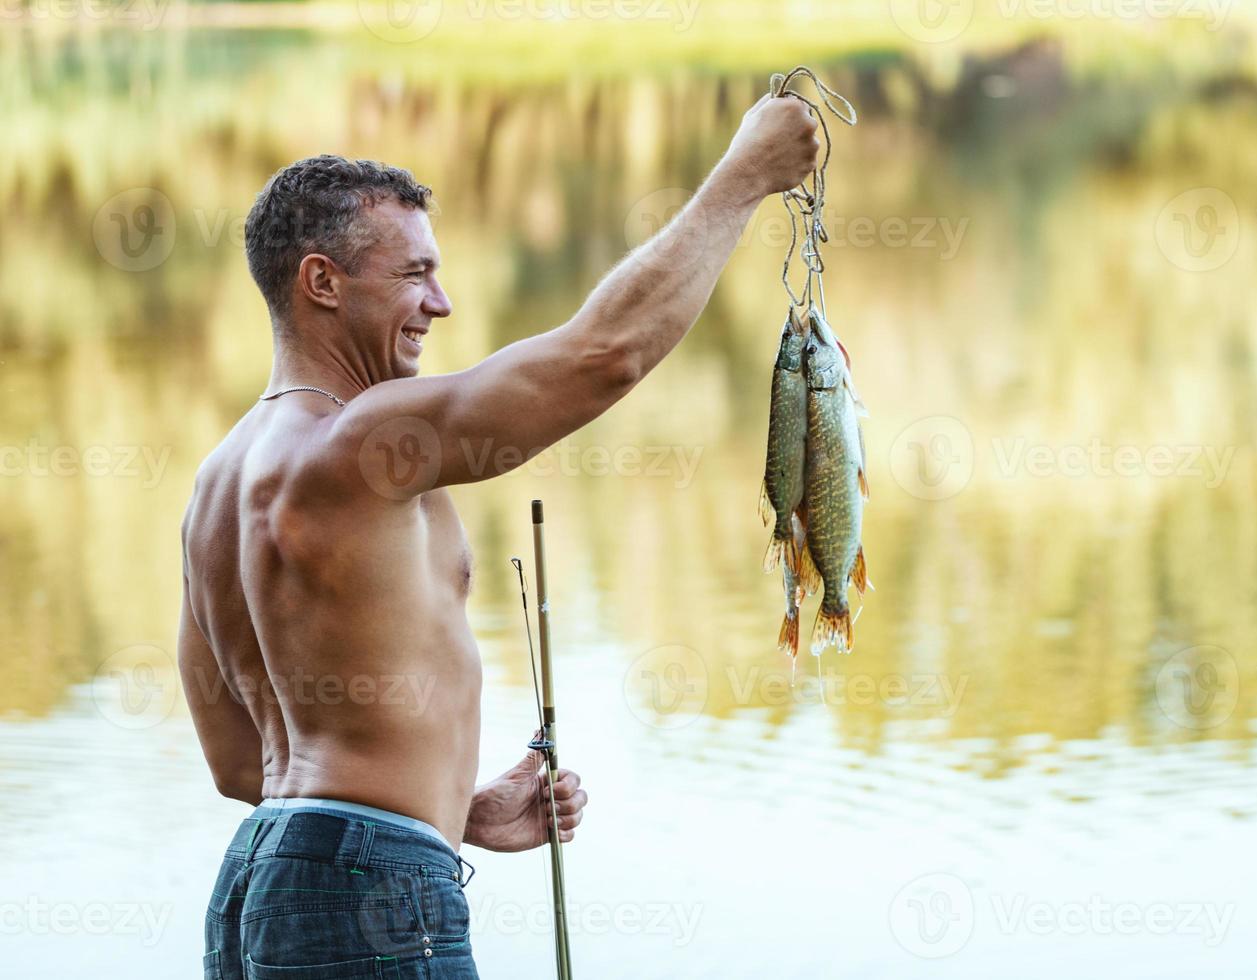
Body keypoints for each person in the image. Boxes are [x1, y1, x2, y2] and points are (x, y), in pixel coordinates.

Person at [179, 92, 821, 978]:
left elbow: (237, 764)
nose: (440, 303)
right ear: (321, 282)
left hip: (259, 882)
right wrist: (745, 177)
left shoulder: (215, 487)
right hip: (372, 895)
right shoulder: (358, 442)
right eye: (413, 275)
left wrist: (460, 810)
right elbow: (604, 356)